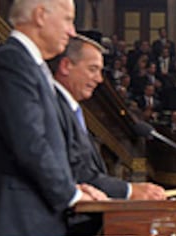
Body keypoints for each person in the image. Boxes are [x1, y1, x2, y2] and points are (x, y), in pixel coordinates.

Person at [0, 0, 106, 236]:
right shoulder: (11, 62)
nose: (72, 31)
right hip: (19, 221)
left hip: (38, 219)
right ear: (40, 15)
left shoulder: (33, 67)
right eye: (67, 20)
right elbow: (30, 144)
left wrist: (72, 186)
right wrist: (71, 195)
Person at [52, 35, 166, 201]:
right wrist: (129, 190)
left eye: (100, 71)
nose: (99, 79)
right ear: (66, 66)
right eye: (92, 69)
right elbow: (74, 173)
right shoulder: (51, 107)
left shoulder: (74, 109)